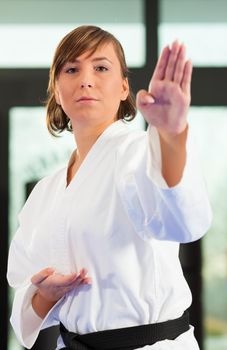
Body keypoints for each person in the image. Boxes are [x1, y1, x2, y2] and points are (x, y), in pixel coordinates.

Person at [7, 25, 212, 350]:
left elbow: (183, 222)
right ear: (57, 90)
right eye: (72, 69)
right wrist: (46, 295)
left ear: (123, 88)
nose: (86, 79)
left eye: (101, 67)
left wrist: (172, 135)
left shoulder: (138, 153)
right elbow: (24, 304)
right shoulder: (45, 192)